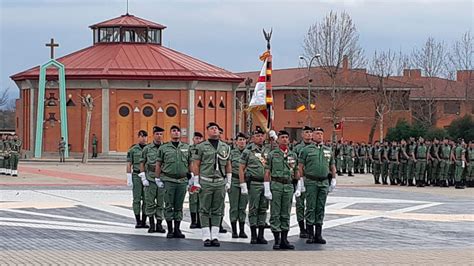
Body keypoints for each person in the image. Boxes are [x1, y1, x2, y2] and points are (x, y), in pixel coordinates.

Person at [191, 122, 231, 247]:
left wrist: (228, 180)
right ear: (207, 131)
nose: (215, 130)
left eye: (216, 129)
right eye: (212, 128)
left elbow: (228, 164)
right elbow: (196, 164)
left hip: (219, 182)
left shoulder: (225, 147)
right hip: (206, 181)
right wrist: (196, 181)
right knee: (204, 209)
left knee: (217, 210)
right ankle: (205, 235)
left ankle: (215, 235)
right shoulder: (201, 146)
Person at [298, 127, 336, 244]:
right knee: (311, 207)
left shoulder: (328, 150)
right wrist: (301, 181)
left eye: (321, 134)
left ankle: (318, 234)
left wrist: (334, 179)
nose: (319, 136)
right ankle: (310, 234)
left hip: (323, 182)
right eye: (317, 134)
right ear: (313, 136)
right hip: (311, 182)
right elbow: (300, 166)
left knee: (320, 207)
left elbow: (332, 165)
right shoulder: (306, 150)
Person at [156, 125, 191, 238]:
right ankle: (170, 229)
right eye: (174, 131)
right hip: (169, 180)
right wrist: (157, 178)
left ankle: (177, 229)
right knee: (169, 205)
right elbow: (158, 164)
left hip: (182, 180)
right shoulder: (164, 148)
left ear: (180, 134)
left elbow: (190, 163)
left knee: (179, 206)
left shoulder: (186, 147)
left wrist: (192, 178)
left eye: (178, 131)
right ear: (170, 133)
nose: (176, 133)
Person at [265, 130, 298, 250]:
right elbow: (267, 171)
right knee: (275, 213)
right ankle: (277, 240)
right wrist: (267, 188)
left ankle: (285, 239)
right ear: (278, 139)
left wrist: (298, 186)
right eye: (282, 137)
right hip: (276, 185)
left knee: (286, 213)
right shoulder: (272, 154)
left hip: (288, 186)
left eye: (286, 137)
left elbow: (295, 171)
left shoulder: (293, 155)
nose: (284, 139)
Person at [239, 126, 270, 245]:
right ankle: (253, 235)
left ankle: (261, 235)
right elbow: (241, 168)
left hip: (265, 183)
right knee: (253, 208)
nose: (260, 138)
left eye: (262, 135)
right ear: (252, 138)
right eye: (257, 136)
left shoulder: (268, 150)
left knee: (263, 208)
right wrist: (242, 184)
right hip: (254, 183)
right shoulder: (248, 151)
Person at [139, 126, 166, 234]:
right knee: (149, 202)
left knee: (161, 202)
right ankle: (151, 224)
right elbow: (142, 162)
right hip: (150, 178)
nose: (159, 136)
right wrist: (143, 177)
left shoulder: (166, 148)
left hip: (162, 178)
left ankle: (159, 224)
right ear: (153, 135)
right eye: (157, 134)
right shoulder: (147, 148)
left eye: (161, 134)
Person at [292, 126, 313, 239]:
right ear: (302, 134)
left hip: (312, 180)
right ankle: (302, 228)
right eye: (306, 132)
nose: (309, 134)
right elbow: (294, 165)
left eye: (310, 132)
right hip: (301, 179)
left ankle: (310, 227)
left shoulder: (316, 147)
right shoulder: (297, 148)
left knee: (311, 205)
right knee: (300, 204)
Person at [126, 130, 149, 229]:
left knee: (147, 199)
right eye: (142, 136)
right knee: (137, 199)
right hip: (136, 175)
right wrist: (129, 177)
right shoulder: (133, 150)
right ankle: (138, 220)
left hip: (147, 176)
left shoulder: (149, 149)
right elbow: (129, 164)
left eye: (145, 136)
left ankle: (144, 220)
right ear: (138, 137)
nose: (144, 138)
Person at [228, 132, 248, 238]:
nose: (242, 142)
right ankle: (234, 230)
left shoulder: (249, 153)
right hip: (234, 181)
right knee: (234, 207)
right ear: (236, 142)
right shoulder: (231, 153)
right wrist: (228, 181)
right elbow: (228, 167)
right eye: (240, 140)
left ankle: (242, 230)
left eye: (243, 140)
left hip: (245, 182)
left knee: (242, 207)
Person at [189, 132, 203, 229]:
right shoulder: (189, 149)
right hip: (192, 176)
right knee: (193, 199)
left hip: (202, 177)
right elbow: (187, 161)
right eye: (196, 138)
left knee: (201, 199)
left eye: (199, 138)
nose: (198, 140)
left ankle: (200, 220)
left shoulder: (204, 149)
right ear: (193, 139)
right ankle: (193, 221)